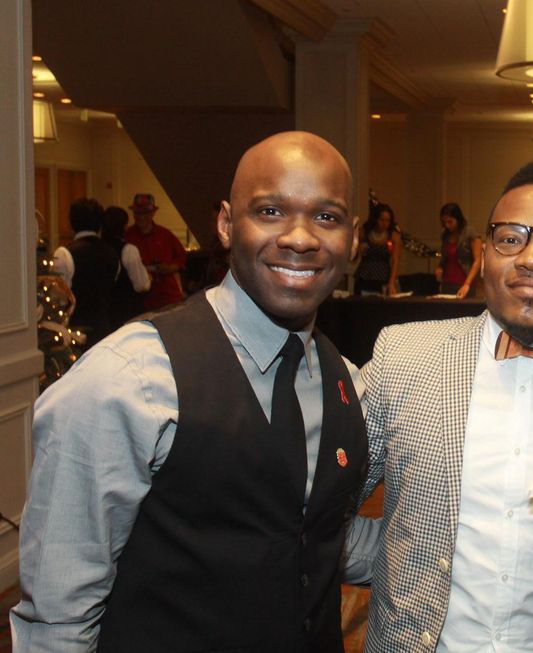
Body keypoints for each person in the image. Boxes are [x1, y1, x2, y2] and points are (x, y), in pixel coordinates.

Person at [12, 131, 367, 652]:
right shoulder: (128, 378)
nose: (299, 237)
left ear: (354, 239)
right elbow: (59, 615)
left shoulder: (343, 379)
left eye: (327, 217)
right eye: (270, 211)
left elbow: (313, 535)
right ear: (226, 224)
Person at [347, 159, 533, 653]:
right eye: (511, 238)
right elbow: (323, 505)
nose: (532, 259)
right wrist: (396, 561)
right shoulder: (404, 356)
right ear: (487, 254)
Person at [50, 197, 119, 348]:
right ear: (100, 224)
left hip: (75, 333)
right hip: (106, 330)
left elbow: (59, 299)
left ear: (71, 223)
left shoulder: (64, 254)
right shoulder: (112, 253)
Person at [124, 192, 187, 310]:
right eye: (138, 213)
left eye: (145, 213)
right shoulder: (127, 236)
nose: (141, 217)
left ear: (153, 213)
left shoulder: (165, 235)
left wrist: (170, 268)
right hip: (140, 301)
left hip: (167, 297)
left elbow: (181, 257)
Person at [101, 205, 151, 331]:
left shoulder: (97, 248)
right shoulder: (128, 250)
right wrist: (149, 278)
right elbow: (141, 285)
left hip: (103, 312)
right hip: (125, 313)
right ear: (123, 226)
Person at [434, 201, 482, 298]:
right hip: (447, 283)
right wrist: (439, 268)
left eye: (450, 222)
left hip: (464, 282)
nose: (447, 225)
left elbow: (478, 260)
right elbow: (444, 258)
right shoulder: (445, 235)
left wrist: (467, 284)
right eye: (444, 222)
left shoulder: (470, 233)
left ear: (458, 219)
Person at [354, 202, 402, 296]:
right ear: (375, 219)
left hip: (383, 277)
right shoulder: (363, 233)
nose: (385, 224)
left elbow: (395, 261)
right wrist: (358, 249)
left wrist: (391, 283)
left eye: (387, 220)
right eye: (382, 220)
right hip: (364, 276)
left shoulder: (393, 236)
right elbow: (352, 258)